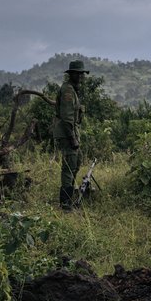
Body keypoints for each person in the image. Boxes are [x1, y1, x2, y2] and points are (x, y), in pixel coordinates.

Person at [53, 59, 89, 210]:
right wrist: (72, 138)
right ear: (71, 74)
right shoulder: (68, 90)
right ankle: (66, 204)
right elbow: (67, 118)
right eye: (78, 74)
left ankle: (70, 197)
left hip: (72, 133)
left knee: (76, 163)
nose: (81, 77)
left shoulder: (73, 90)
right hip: (67, 134)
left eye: (82, 74)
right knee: (68, 167)